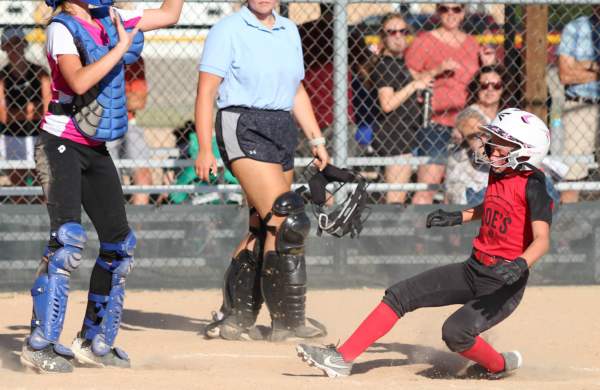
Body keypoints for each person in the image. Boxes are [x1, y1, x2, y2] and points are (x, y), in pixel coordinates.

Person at [296, 108, 553, 380]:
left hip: (503, 282)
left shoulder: (533, 187)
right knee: (400, 294)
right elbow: (494, 206)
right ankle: (341, 358)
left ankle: (500, 364)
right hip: (474, 269)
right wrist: (459, 216)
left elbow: (542, 240)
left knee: (455, 332)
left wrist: (520, 264)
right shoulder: (499, 172)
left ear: (525, 151)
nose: (491, 147)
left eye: (501, 144)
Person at [21, 0, 183, 374]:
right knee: (67, 241)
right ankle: (40, 342)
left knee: (119, 243)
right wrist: (121, 48)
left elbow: (171, 14)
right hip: (60, 142)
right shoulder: (60, 27)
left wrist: (121, 38)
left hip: (95, 147)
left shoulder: (110, 17)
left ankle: (93, 341)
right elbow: (77, 81)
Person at [195, 0, 330, 342]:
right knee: (288, 221)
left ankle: (237, 318)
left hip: (281, 126)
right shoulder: (228, 29)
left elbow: (296, 89)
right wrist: (206, 148)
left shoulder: (289, 30)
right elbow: (207, 90)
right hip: (242, 125)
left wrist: (315, 138)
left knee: (264, 227)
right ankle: (288, 322)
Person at [405, 3, 481, 204]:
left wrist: (489, 62)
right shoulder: (424, 41)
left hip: (468, 124)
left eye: (456, 9)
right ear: (438, 12)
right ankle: (418, 234)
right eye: (445, 9)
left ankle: (451, 235)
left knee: (458, 187)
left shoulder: (472, 43)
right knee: (428, 187)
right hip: (436, 122)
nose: (451, 14)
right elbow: (409, 78)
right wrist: (437, 70)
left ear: (463, 12)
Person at [371, 13, 433, 204]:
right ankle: (391, 233)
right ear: (384, 36)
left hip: (405, 134)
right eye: (392, 32)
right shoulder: (386, 66)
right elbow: (387, 104)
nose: (398, 35)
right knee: (395, 199)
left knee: (397, 194)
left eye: (402, 31)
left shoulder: (398, 62)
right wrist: (413, 86)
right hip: (394, 137)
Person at [0, 26, 51, 202]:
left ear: (24, 45)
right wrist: (30, 110)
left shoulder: (39, 72)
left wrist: (19, 112)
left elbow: (48, 108)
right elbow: (4, 116)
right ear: (4, 47)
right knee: (18, 185)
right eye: (10, 44)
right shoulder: (3, 76)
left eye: (18, 43)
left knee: (43, 182)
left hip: (39, 134)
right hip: (12, 135)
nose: (15, 49)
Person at [557, 7, 600, 204]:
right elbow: (565, 74)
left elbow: (573, 70)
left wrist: (583, 65)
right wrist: (595, 69)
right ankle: (567, 231)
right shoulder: (575, 28)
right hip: (580, 105)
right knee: (571, 179)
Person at [106, 57, 153, 205]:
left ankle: (139, 223)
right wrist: (124, 97)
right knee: (109, 180)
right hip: (100, 124)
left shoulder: (133, 59)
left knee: (143, 176)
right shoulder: (94, 53)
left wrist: (107, 97)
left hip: (127, 122)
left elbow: (139, 101)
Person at [445, 107, 489, 205]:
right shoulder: (456, 148)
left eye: (483, 134)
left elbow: (487, 157)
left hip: (484, 191)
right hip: (467, 194)